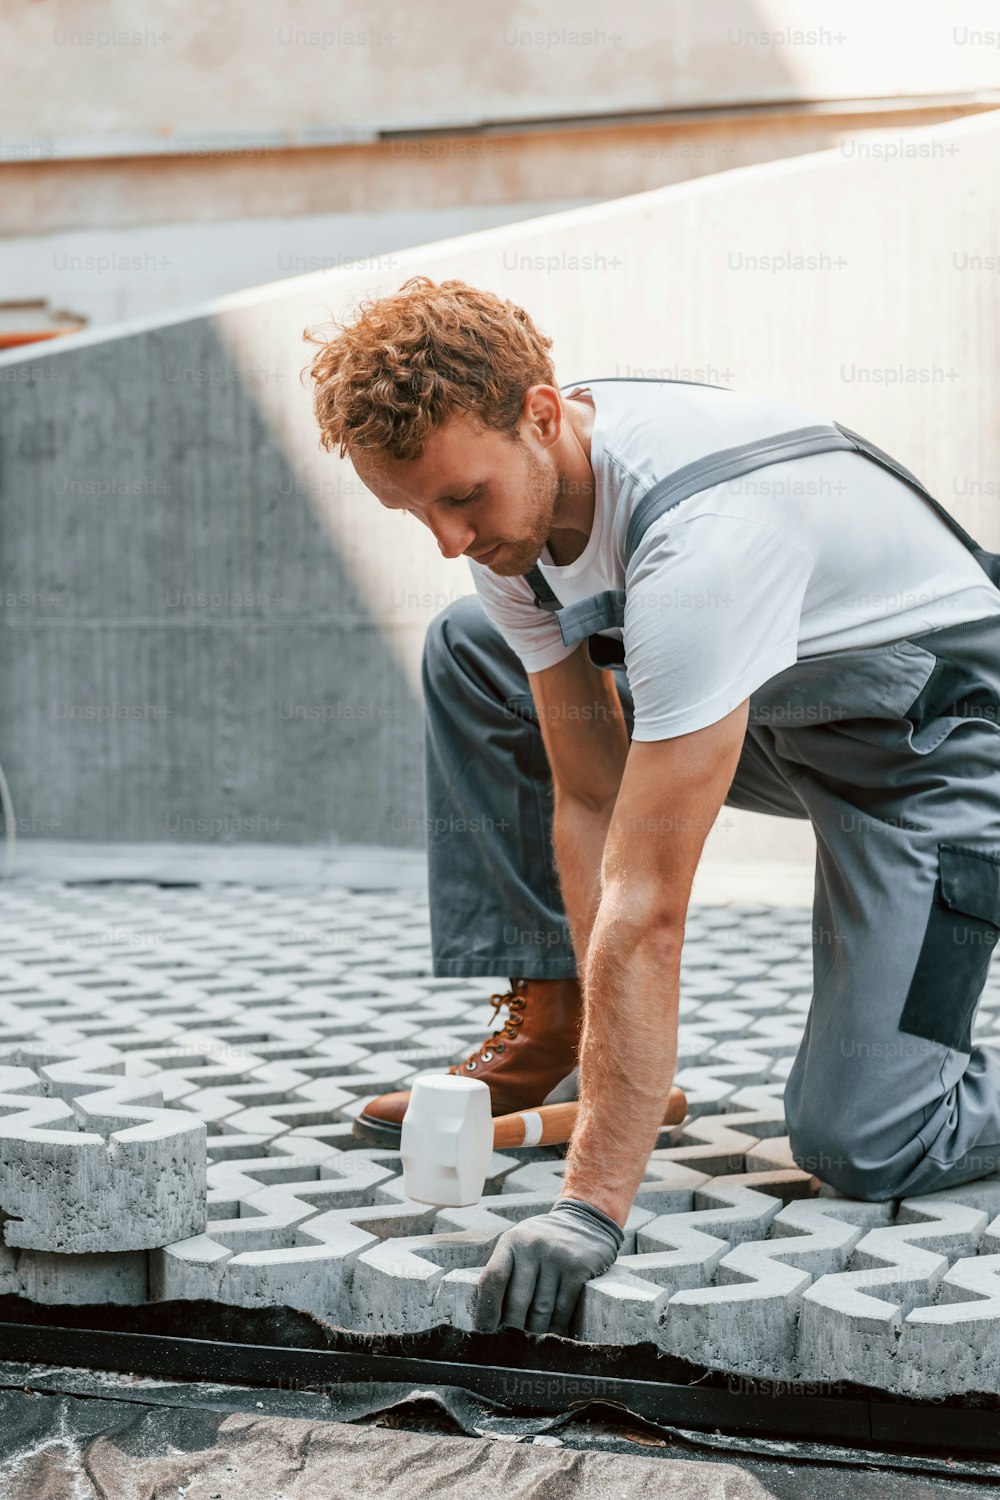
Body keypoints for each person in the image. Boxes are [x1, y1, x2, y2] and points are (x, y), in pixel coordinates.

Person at [306, 274, 1000, 1339]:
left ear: (540, 414)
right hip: (786, 709)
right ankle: (564, 1031)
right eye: (411, 510)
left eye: (460, 499)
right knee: (470, 647)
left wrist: (590, 1204)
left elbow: (649, 899)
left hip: (939, 746)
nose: (446, 541)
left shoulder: (704, 537)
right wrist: (612, 1078)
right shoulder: (520, 509)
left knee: (868, 1141)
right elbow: (589, 798)